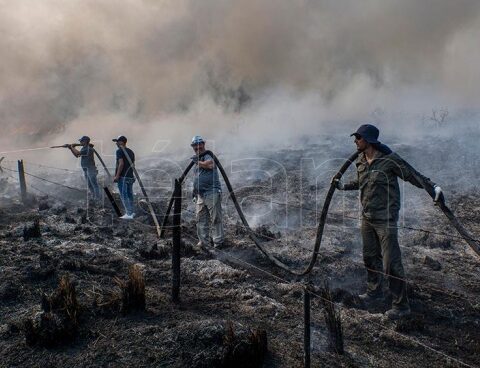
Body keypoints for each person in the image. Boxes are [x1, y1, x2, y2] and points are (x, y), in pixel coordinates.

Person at [333, 124, 444, 319]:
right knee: (369, 256)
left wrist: (433, 187)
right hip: (367, 217)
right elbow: (361, 182)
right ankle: (374, 292)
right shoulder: (360, 159)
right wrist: (343, 186)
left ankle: (401, 306)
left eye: (358, 138)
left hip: (386, 219)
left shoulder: (389, 160)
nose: (355, 141)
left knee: (391, 263)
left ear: (368, 140)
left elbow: (412, 175)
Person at [191, 135, 224, 248]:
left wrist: (198, 162)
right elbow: (197, 178)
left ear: (203, 144)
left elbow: (210, 165)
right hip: (200, 195)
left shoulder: (208, 155)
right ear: (193, 147)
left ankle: (218, 243)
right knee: (200, 219)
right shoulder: (198, 160)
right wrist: (194, 191)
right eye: (195, 145)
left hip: (212, 192)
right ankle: (203, 242)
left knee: (215, 218)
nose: (198, 147)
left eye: (200, 144)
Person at [68, 136, 101, 201]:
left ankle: (97, 198)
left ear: (85, 141)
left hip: (91, 169)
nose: (80, 142)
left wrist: (72, 147)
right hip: (86, 170)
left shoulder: (87, 148)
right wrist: (71, 149)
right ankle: (94, 197)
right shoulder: (84, 148)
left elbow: (78, 153)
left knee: (94, 184)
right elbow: (77, 155)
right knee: (90, 185)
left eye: (81, 141)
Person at [113, 135, 136, 220]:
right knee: (130, 194)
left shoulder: (119, 151)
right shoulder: (131, 151)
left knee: (124, 195)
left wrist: (117, 176)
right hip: (130, 176)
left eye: (117, 141)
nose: (116, 143)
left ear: (121, 142)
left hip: (123, 177)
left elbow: (121, 163)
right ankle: (132, 212)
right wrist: (132, 175)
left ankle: (129, 214)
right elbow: (133, 164)